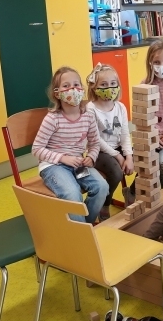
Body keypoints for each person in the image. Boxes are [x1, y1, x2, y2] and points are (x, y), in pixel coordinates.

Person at [32, 66, 109, 223]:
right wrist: (62, 158)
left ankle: (84, 227)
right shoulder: (52, 119)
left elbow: (95, 144)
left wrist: (91, 157)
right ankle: (82, 232)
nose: (73, 89)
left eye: (76, 84)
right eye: (66, 86)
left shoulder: (88, 116)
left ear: (82, 88)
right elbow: (36, 149)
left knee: (102, 187)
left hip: (78, 164)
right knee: (72, 194)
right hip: (53, 166)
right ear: (57, 93)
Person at [124, 39, 163, 202]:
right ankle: (133, 192)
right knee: (145, 160)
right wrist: (154, 135)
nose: (162, 66)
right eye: (157, 62)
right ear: (150, 63)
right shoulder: (145, 84)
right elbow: (143, 115)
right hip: (152, 134)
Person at [85, 63, 134, 221]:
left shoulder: (120, 107)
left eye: (113, 84)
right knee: (116, 172)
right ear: (94, 88)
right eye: (104, 85)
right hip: (99, 151)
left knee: (145, 158)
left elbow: (125, 134)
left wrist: (128, 156)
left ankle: (131, 192)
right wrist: (118, 156)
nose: (110, 88)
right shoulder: (91, 108)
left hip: (117, 148)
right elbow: (95, 139)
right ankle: (105, 203)